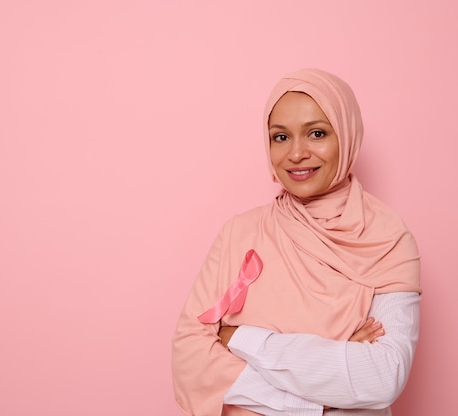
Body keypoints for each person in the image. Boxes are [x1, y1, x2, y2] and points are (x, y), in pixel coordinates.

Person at [171, 68, 421, 416]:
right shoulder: (239, 232)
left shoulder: (387, 239)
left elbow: (381, 377)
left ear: (346, 136)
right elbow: (189, 356)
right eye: (281, 137)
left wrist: (242, 339)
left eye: (316, 133)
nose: (296, 153)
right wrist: (323, 387)